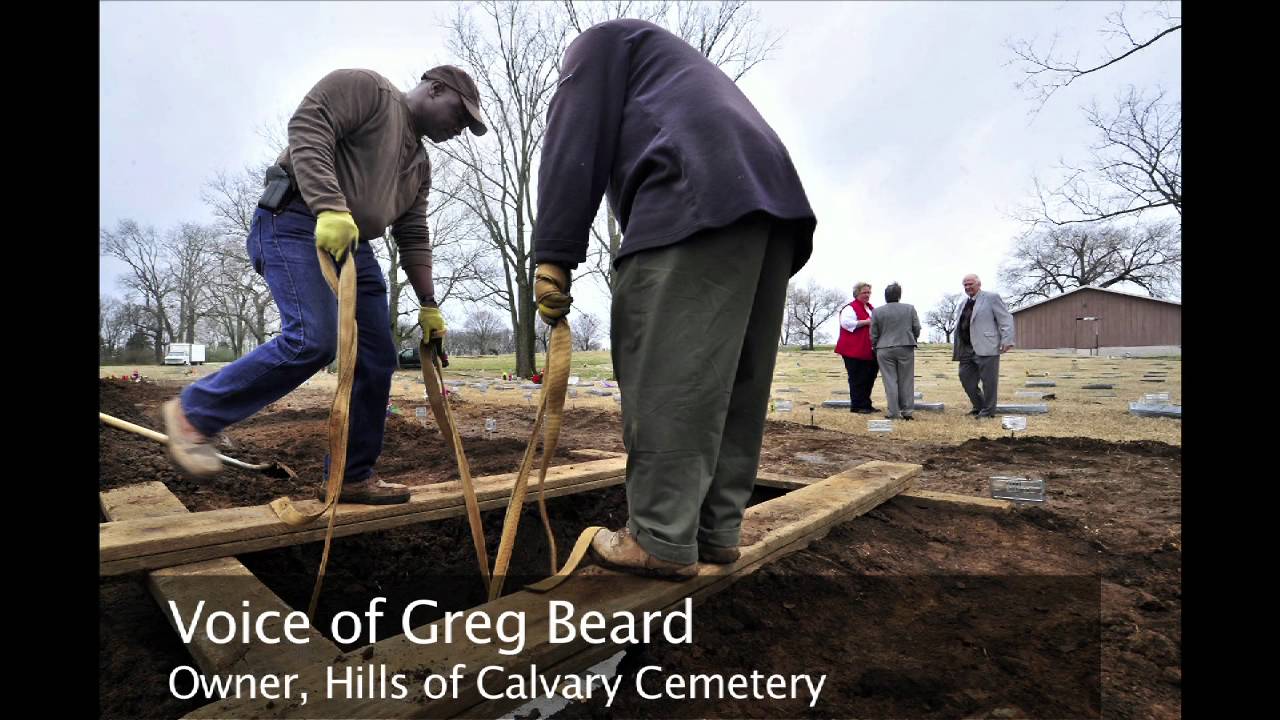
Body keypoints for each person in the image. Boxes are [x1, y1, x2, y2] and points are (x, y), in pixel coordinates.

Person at [531, 19, 816, 578]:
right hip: (773, 206)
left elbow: (573, 141)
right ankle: (715, 532)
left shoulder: (596, 45)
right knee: (733, 379)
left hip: (690, 192)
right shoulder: (670, 67)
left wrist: (553, 254)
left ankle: (660, 536)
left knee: (670, 374)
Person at [161, 65, 488, 504]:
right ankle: (193, 413)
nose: (460, 128)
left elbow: (413, 233)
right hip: (295, 220)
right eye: (460, 114)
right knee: (313, 339)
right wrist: (331, 207)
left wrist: (428, 303)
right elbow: (308, 125)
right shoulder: (368, 90)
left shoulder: (419, 165)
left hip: (354, 244)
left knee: (378, 355)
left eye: (468, 124)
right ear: (435, 88)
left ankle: (352, 475)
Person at [952, 274, 1015, 418]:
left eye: (970, 284)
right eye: (965, 285)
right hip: (966, 348)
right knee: (965, 378)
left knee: (989, 382)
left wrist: (1007, 339)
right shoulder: (963, 303)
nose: (968, 287)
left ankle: (988, 412)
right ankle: (980, 406)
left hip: (987, 346)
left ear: (979, 284)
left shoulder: (991, 298)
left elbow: (1006, 319)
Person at [870, 282, 921, 420]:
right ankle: (907, 412)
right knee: (906, 380)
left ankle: (893, 412)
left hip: (884, 348)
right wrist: (911, 339)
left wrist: (875, 346)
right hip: (905, 346)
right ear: (899, 295)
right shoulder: (909, 309)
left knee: (890, 381)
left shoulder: (877, 311)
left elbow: (873, 333)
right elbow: (916, 328)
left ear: (885, 295)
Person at [835, 282, 879, 414]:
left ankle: (866, 404)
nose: (867, 295)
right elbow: (846, 323)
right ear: (857, 294)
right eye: (864, 292)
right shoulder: (850, 308)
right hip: (852, 350)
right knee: (857, 378)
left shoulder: (871, 308)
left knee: (869, 377)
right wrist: (867, 322)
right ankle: (857, 406)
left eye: (868, 292)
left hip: (868, 349)